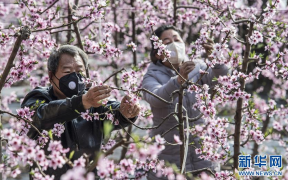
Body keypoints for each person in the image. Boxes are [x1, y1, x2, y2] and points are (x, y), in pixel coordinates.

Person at [21, 45, 140, 179]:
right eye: (67, 71)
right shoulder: (38, 97)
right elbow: (40, 115)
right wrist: (81, 103)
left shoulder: (92, 99)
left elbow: (112, 110)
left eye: (79, 71)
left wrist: (125, 113)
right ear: (51, 75)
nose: (74, 77)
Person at [142, 25, 228, 179]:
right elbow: (157, 98)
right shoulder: (151, 76)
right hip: (170, 159)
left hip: (203, 155)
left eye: (177, 39)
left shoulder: (198, 67)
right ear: (157, 54)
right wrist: (179, 80)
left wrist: (216, 59)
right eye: (166, 41)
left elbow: (223, 80)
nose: (174, 44)